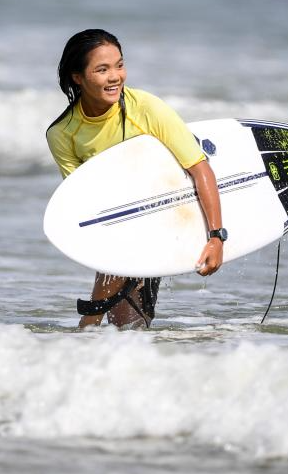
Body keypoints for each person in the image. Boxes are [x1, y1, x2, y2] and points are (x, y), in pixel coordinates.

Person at [46, 29, 226, 329]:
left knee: (122, 328)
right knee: (127, 330)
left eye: (119, 65)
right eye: (102, 69)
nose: (116, 76)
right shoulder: (63, 134)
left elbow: (198, 167)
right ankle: (89, 330)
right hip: (120, 229)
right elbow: (86, 205)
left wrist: (216, 236)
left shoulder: (145, 108)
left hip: (167, 209)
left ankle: (86, 326)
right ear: (78, 77)